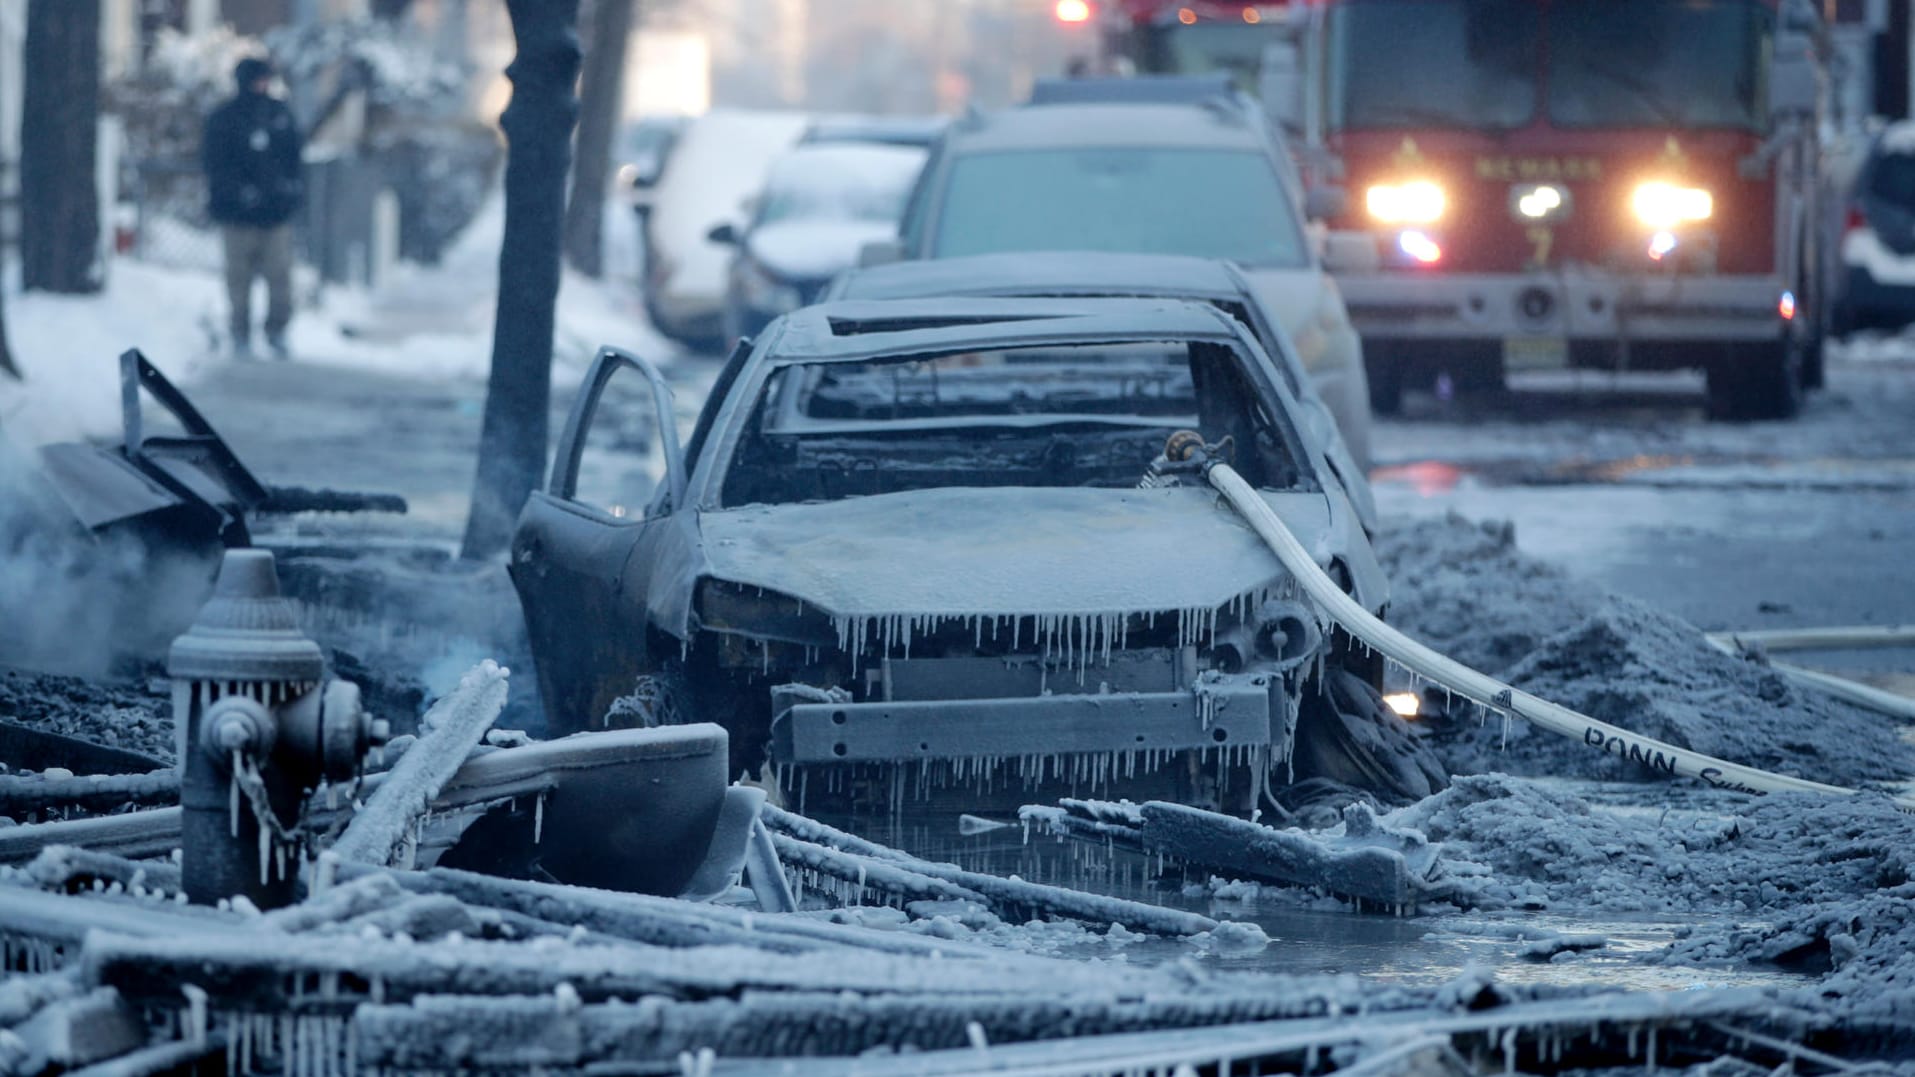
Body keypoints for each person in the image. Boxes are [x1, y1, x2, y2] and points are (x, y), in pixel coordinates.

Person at [203, 57, 304, 359]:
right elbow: (214, 163)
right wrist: (236, 193)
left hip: (274, 214)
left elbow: (294, 158)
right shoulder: (225, 118)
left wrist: (287, 191)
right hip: (236, 215)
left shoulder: (279, 114)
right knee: (238, 278)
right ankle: (240, 332)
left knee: (280, 276)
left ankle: (277, 331)